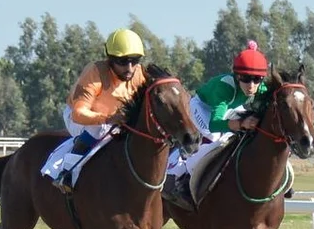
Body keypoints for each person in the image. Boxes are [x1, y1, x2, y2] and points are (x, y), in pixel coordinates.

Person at [162, 40, 270, 208]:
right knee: (212, 137)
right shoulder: (225, 88)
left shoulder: (260, 88)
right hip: (202, 107)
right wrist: (241, 123)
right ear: (237, 75)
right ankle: (181, 177)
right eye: (246, 79)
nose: (251, 86)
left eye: (257, 79)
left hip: (230, 106)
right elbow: (215, 124)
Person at [43, 27, 147, 193]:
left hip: (117, 118)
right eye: (122, 61)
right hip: (79, 118)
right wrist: (108, 118)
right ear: (110, 59)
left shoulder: (139, 75)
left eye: (134, 61)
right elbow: (79, 114)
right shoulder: (95, 73)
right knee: (99, 128)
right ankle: (66, 173)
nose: (129, 68)